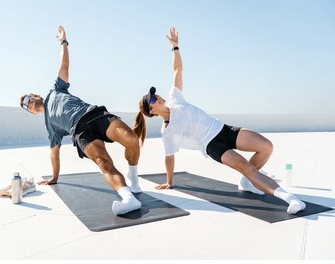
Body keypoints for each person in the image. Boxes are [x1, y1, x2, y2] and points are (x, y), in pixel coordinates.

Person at [134, 27, 306, 214]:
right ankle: (290, 199)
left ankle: (247, 182)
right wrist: (169, 182)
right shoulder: (167, 131)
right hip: (212, 145)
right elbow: (169, 157)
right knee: (247, 167)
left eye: (155, 94)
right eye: (152, 99)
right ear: (151, 111)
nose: (157, 97)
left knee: (266, 146)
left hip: (223, 129)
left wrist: (175, 47)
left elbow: (177, 70)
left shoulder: (175, 98)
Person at [20, 26, 141, 215]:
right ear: (31, 112)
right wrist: (54, 177)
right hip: (81, 133)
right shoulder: (49, 125)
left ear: (36, 95)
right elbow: (54, 153)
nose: (30, 103)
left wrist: (63, 42)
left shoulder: (56, 89)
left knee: (132, 140)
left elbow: (65, 64)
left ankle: (133, 177)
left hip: (95, 115)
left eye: (29, 98)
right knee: (103, 162)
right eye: (27, 105)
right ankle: (128, 198)